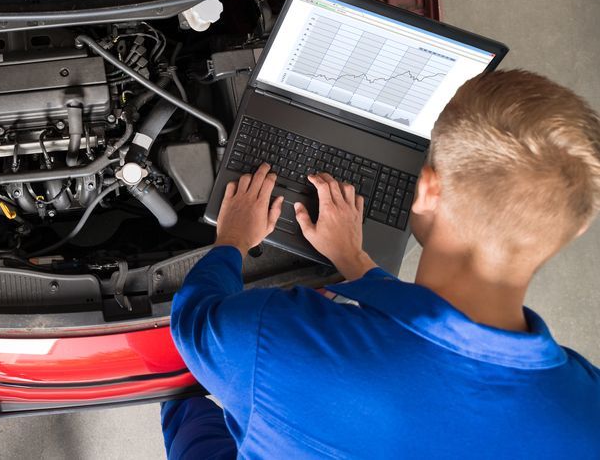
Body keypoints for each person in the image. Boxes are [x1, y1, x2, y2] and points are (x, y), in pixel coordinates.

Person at [163, 70, 600, 458]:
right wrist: (357, 263)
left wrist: (233, 238)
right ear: (576, 227)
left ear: (428, 189)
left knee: (184, 407)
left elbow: (195, 321)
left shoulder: (274, 340)